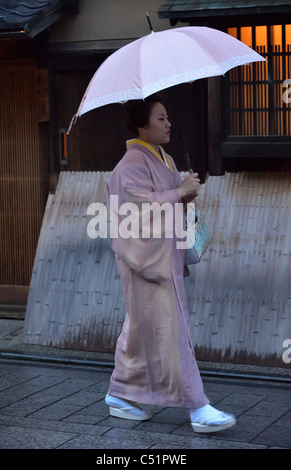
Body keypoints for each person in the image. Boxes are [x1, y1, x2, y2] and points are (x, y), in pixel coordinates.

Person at [105, 95, 236, 433]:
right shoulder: (130, 164)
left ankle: (120, 392)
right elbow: (137, 212)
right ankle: (198, 406)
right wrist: (177, 193)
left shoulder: (163, 157)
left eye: (167, 117)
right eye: (160, 118)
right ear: (141, 125)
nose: (168, 124)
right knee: (170, 329)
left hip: (163, 257)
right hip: (146, 261)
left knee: (141, 330)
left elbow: (166, 199)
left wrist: (184, 194)